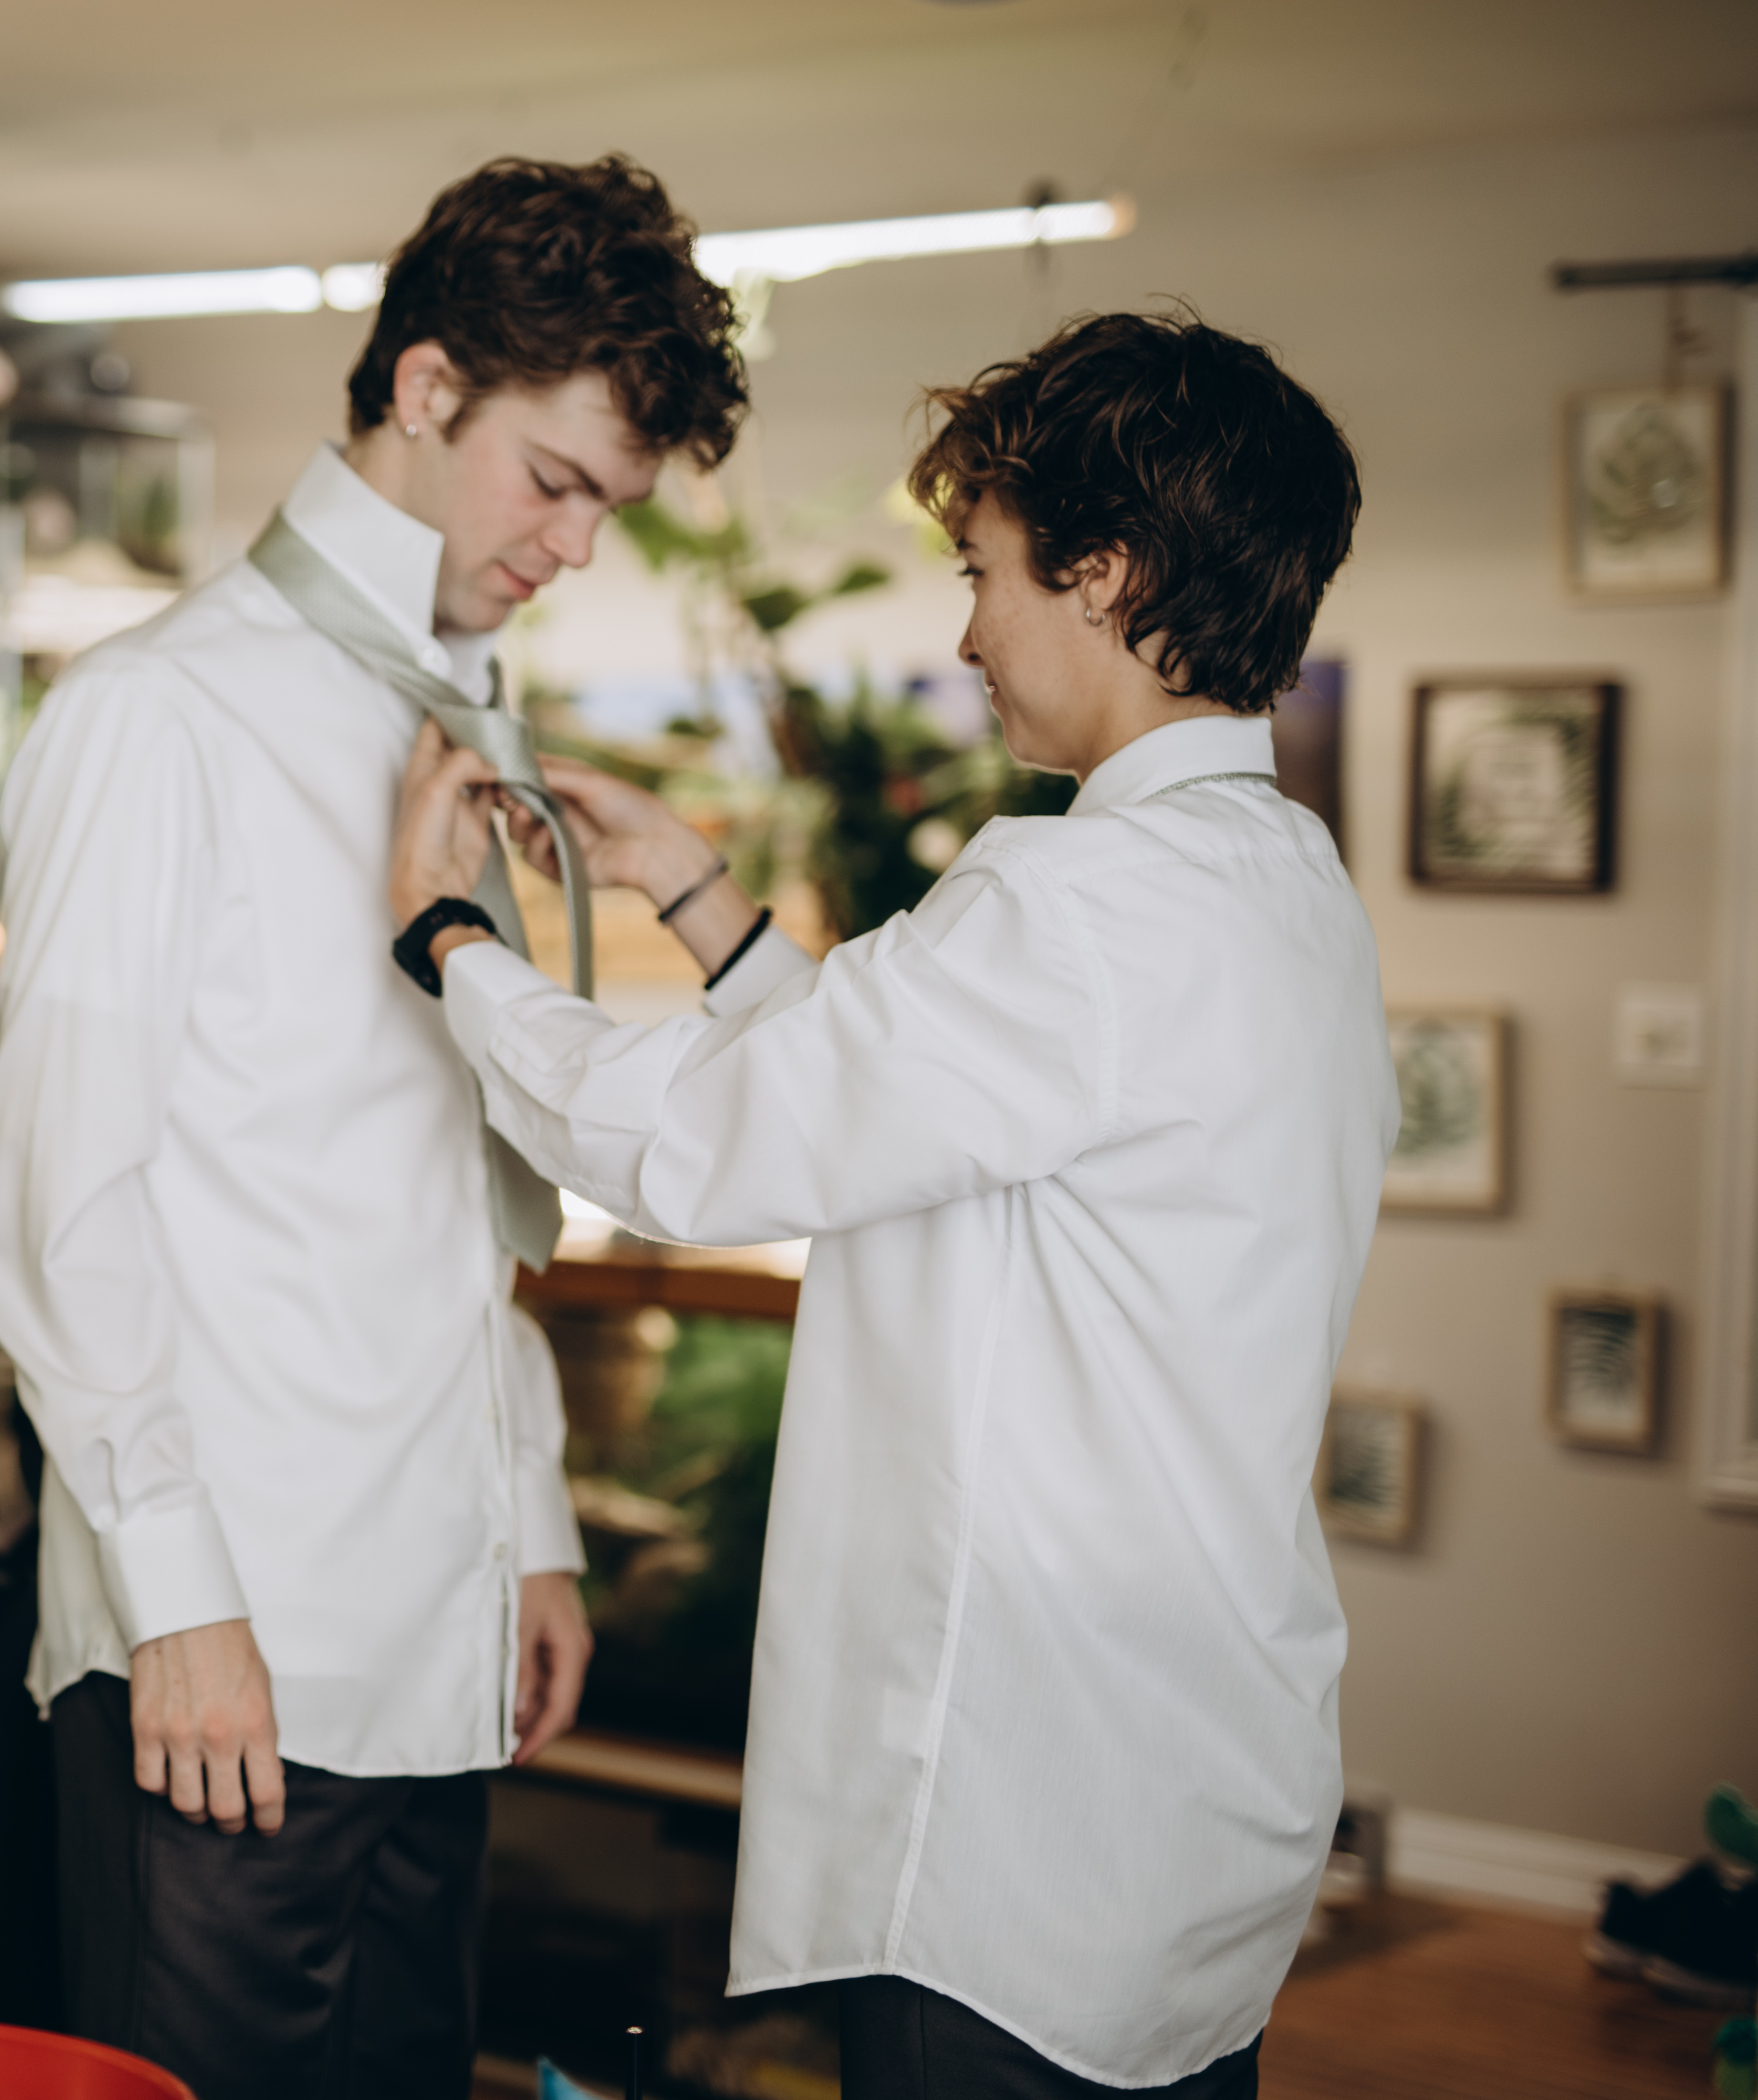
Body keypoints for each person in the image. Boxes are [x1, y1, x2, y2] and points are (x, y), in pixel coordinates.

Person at [389, 310, 1386, 2097]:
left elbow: (700, 1143)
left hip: (1019, 1825)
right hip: (1186, 1795)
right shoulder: (1277, 879)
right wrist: (691, 887)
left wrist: (449, 945)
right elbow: (927, 1111)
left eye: (985, 571)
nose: (969, 632)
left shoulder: (1084, 904)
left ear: (1109, 572)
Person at [0, 155, 748, 2098]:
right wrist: (182, 1601)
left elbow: (439, 1184)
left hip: (434, 1644)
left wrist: (531, 1524)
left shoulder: (461, 730)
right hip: (223, 1653)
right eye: (554, 482)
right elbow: (63, 1210)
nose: (576, 546)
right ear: (424, 386)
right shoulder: (156, 719)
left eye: (609, 507)